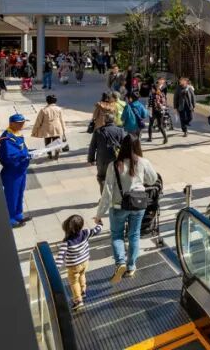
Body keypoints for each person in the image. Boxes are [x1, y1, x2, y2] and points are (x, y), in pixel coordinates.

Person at [94, 134, 157, 283]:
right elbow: (152, 179)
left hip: (118, 206)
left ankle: (120, 263)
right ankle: (131, 267)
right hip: (138, 204)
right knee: (134, 235)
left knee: (117, 235)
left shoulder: (114, 165)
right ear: (138, 146)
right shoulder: (143, 162)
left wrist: (99, 214)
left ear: (122, 146)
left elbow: (107, 191)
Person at [58, 214, 101, 310]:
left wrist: (55, 268)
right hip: (85, 262)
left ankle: (78, 300)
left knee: (74, 282)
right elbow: (97, 230)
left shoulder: (66, 242)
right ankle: (83, 290)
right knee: (82, 275)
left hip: (74, 266)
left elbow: (61, 257)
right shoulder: (86, 233)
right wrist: (99, 223)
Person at [0, 113, 32, 228]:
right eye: (19, 123)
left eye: (23, 123)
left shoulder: (16, 134)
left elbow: (22, 149)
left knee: (19, 194)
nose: (22, 125)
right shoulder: (7, 138)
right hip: (12, 172)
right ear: (11, 123)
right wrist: (25, 155)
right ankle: (10, 219)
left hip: (20, 170)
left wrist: (30, 153)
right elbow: (10, 156)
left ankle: (18, 215)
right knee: (11, 196)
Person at [88, 112, 127, 191]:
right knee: (117, 177)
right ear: (114, 120)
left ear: (104, 121)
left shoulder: (98, 131)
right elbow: (126, 145)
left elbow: (92, 147)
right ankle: (117, 195)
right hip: (116, 158)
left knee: (102, 178)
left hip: (102, 160)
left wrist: (91, 159)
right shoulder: (120, 130)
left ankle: (104, 195)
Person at [31, 94, 67, 161]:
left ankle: (49, 154)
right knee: (57, 141)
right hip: (57, 127)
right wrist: (64, 129)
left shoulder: (43, 110)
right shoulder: (59, 109)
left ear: (47, 101)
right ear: (55, 101)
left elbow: (38, 121)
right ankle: (57, 153)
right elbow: (62, 120)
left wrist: (34, 130)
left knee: (47, 141)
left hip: (46, 128)